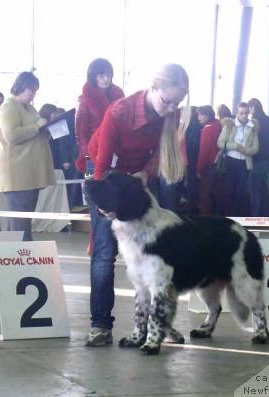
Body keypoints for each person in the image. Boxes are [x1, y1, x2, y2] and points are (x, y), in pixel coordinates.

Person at [85, 63, 190, 346]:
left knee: (156, 256)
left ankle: (160, 324)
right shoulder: (119, 111)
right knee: (105, 252)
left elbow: (162, 153)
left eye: (176, 103)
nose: (170, 108)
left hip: (139, 180)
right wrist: (105, 205)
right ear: (152, 88)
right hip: (106, 176)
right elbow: (101, 164)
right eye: (166, 101)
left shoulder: (171, 115)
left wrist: (145, 174)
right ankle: (100, 326)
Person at [0, 72, 55, 241]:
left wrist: (46, 130)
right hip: (17, 172)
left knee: (23, 219)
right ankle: (22, 256)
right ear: (21, 87)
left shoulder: (29, 107)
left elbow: (34, 131)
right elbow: (11, 136)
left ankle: (20, 255)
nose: (33, 94)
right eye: (31, 90)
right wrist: (37, 126)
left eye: (35, 91)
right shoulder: (9, 107)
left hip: (29, 172)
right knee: (20, 220)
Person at [75, 58, 125, 175]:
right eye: (101, 75)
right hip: (94, 151)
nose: (106, 79)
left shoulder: (119, 97)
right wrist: (87, 157)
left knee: (117, 188)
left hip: (117, 151)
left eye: (108, 75)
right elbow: (81, 133)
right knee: (95, 189)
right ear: (93, 77)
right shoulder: (84, 100)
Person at [216, 102, 259, 216]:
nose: (244, 116)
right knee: (227, 190)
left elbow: (256, 147)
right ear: (237, 113)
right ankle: (222, 215)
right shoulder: (229, 125)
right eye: (241, 113)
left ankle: (236, 217)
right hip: (230, 160)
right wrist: (236, 146)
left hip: (244, 162)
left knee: (240, 192)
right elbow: (220, 143)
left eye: (246, 113)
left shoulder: (253, 128)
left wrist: (247, 151)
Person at [248, 98, 269, 216]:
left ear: (253, 107)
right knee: (264, 189)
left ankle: (255, 216)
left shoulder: (254, 121)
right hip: (267, 158)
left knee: (255, 190)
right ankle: (265, 215)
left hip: (257, 158)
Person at [196, 105, 222, 215]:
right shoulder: (218, 125)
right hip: (218, 165)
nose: (199, 117)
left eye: (201, 114)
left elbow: (204, 152)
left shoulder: (207, 130)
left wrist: (199, 169)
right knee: (215, 194)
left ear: (208, 115)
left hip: (208, 166)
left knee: (205, 196)